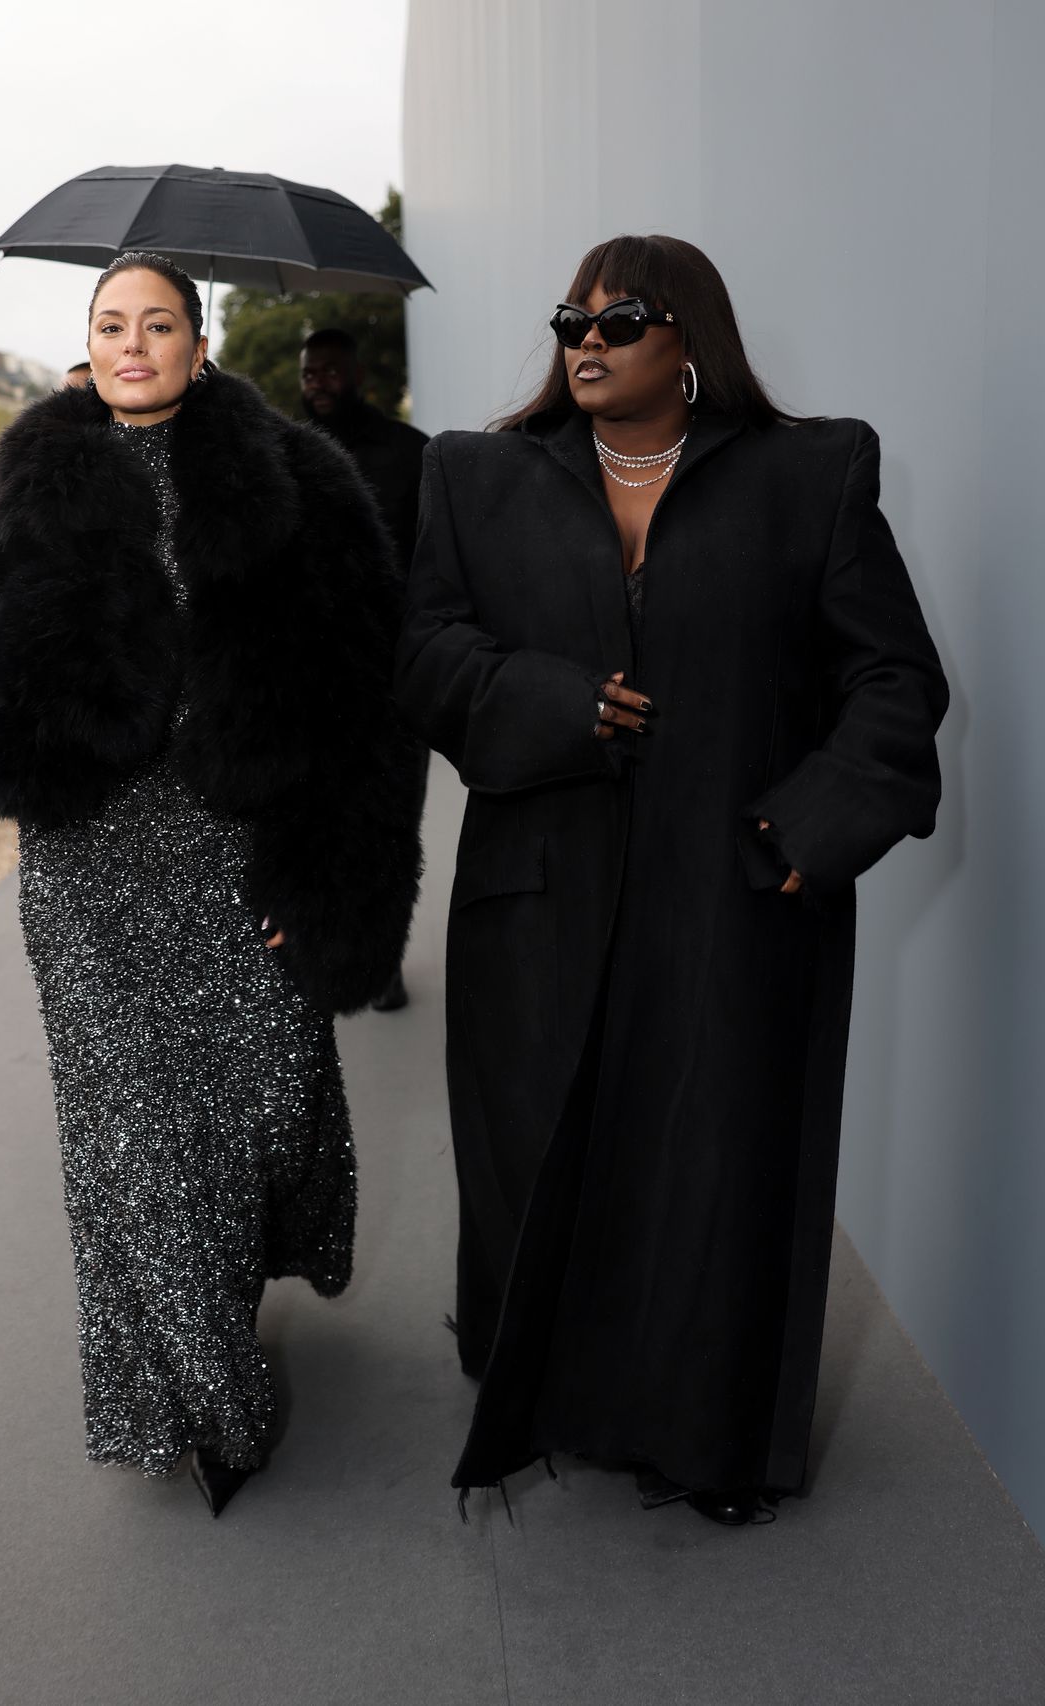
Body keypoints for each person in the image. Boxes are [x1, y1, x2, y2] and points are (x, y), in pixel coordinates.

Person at [395, 234, 949, 1527]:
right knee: (547, 1164)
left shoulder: (811, 473)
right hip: (537, 897)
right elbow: (421, 653)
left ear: (688, 338)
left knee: (715, 1172)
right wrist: (550, 698)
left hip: (736, 891)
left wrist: (807, 832)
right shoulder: (475, 476)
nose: (585, 340)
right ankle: (563, 1406)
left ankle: (711, 1443)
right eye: (570, 321)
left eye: (621, 318)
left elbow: (894, 680)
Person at [0, 251, 421, 1517]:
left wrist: (330, 872)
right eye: (109, 323)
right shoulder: (23, 481)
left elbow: (368, 689)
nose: (132, 343)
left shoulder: (301, 480)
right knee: (134, 1152)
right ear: (84, 344)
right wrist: (66, 727)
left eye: (157, 323)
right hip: (90, 871)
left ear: (202, 341)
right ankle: (206, 1403)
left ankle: (237, 1293)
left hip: (240, 854)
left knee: (256, 1112)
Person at [301, 327, 430, 1011]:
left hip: (392, 675)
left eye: (328, 370)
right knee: (316, 823)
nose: (316, 382)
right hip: (309, 675)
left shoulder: (411, 455)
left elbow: (438, 564)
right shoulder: (280, 452)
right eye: (307, 373)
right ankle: (326, 954)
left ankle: (382, 959)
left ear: (356, 374)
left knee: (389, 824)